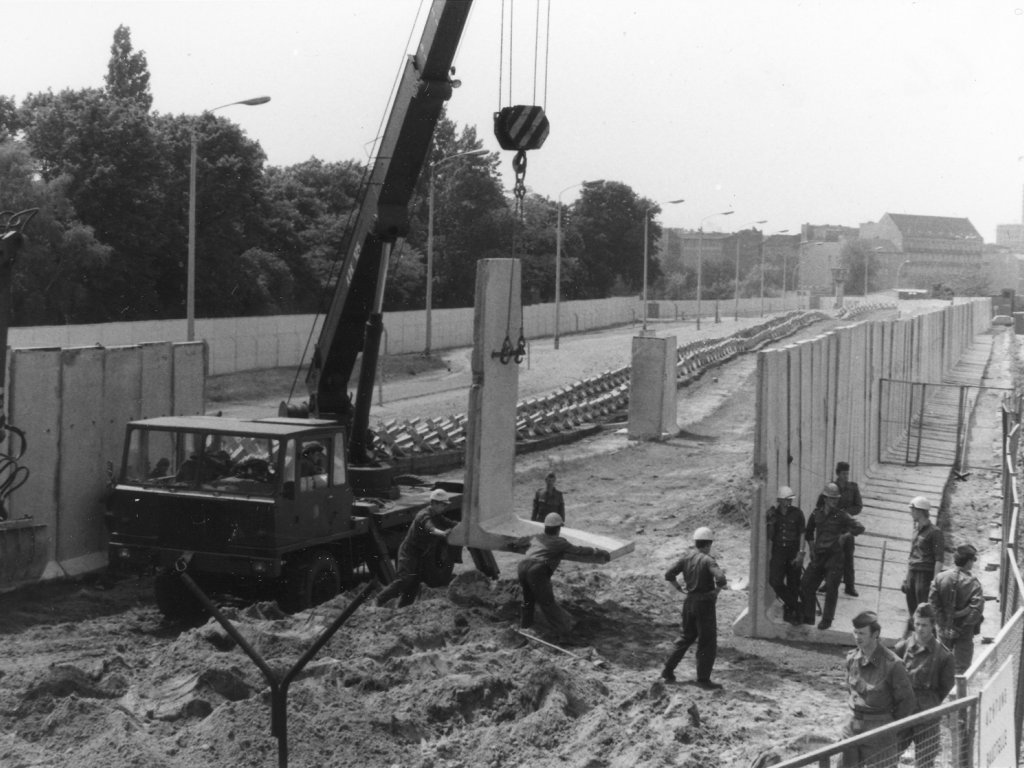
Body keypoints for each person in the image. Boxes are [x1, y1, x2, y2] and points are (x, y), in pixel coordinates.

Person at [517, 512, 610, 643]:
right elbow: (579, 550)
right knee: (548, 604)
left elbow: (519, 542)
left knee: (528, 599)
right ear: (558, 528)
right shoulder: (559, 542)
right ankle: (564, 636)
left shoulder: (536, 537)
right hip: (537, 570)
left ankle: (525, 626)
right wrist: (597, 551)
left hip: (522, 567)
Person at [841, 610, 916, 768]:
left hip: (880, 731)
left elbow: (907, 702)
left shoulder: (892, 665)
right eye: (855, 632)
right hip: (853, 725)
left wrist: (889, 726)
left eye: (862, 633)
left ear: (875, 634)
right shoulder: (852, 658)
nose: (857, 637)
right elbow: (851, 690)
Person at [659, 526, 728, 689]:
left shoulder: (686, 558)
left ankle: (667, 670)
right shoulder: (708, 560)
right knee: (707, 641)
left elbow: (669, 574)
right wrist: (716, 592)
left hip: (689, 602)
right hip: (705, 604)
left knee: (685, 637)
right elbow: (721, 579)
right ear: (709, 544)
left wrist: (679, 588)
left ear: (696, 542)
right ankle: (703, 679)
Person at [894, 604, 955, 768]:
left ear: (932, 625)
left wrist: (929, 702)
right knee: (887, 757)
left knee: (925, 762)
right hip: (903, 712)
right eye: (917, 624)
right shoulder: (902, 648)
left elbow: (945, 688)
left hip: (927, 716)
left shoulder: (944, 656)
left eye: (924, 625)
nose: (920, 629)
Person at [375, 488, 456, 608]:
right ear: (434, 503)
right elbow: (430, 528)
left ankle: (403, 607)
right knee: (405, 579)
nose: (444, 507)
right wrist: (443, 534)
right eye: (443, 504)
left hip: (419, 553)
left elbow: (450, 523)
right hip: (409, 552)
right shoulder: (423, 515)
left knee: (414, 583)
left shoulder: (437, 515)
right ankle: (379, 599)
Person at [800, 483, 865, 630]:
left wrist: (845, 536)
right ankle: (809, 616)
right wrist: (811, 549)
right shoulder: (816, 514)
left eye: (836, 498)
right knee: (806, 584)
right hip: (819, 556)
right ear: (825, 498)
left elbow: (860, 527)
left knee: (831, 588)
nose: (834, 501)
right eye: (831, 498)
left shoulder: (841, 515)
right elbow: (809, 533)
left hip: (835, 558)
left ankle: (827, 620)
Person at [929, 543, 985, 673]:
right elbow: (976, 611)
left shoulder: (940, 578)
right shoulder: (974, 584)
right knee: (961, 669)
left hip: (943, 631)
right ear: (969, 562)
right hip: (964, 633)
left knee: (940, 665)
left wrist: (943, 625)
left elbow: (933, 605)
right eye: (972, 560)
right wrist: (960, 628)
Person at [816, 462, 863, 596]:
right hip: (832, 528)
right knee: (830, 556)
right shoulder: (831, 487)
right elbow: (820, 504)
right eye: (843, 474)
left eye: (847, 473)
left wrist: (845, 513)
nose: (846, 476)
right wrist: (833, 513)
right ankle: (828, 583)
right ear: (838, 474)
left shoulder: (853, 487)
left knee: (848, 556)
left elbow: (858, 506)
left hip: (847, 527)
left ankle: (849, 586)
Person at [902, 496, 944, 636]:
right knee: (913, 611)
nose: (911, 513)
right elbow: (911, 555)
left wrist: (935, 582)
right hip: (912, 573)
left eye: (912, 510)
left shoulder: (935, 532)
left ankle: (930, 642)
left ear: (920, 511)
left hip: (924, 575)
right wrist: (906, 578)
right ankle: (915, 640)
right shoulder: (916, 530)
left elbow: (939, 559)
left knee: (924, 611)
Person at [766, 485, 806, 624]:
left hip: (793, 551)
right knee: (774, 581)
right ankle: (796, 606)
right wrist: (771, 523)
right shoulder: (774, 514)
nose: (789, 502)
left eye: (790, 500)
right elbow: (770, 536)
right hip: (779, 551)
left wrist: (801, 553)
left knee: (793, 583)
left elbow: (802, 533)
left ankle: (792, 612)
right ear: (779, 500)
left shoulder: (797, 513)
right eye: (786, 500)